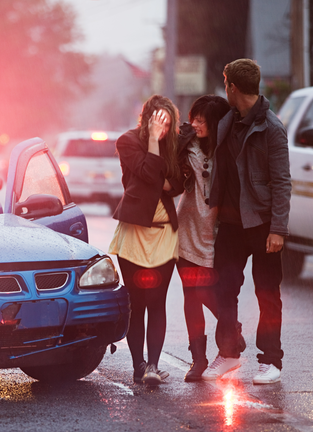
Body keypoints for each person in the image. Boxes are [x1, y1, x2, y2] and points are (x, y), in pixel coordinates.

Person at [201, 59, 292, 385]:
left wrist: (278, 229)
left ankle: (271, 361)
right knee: (224, 289)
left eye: (225, 83)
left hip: (262, 224)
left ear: (232, 87)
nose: (224, 89)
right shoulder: (227, 120)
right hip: (230, 223)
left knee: (267, 294)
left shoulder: (271, 128)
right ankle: (228, 355)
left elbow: (282, 182)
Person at [108, 95, 184, 386]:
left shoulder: (174, 147)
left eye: (167, 123)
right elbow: (151, 173)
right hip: (134, 232)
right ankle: (138, 366)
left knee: (157, 301)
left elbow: (177, 183)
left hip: (165, 234)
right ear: (147, 118)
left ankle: (153, 366)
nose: (163, 128)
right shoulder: (127, 141)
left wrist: (160, 176)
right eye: (158, 121)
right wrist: (153, 143)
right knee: (136, 302)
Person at [175, 95, 246, 382]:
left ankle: (231, 329)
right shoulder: (186, 145)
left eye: (203, 119)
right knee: (191, 294)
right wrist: (182, 138)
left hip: (217, 233)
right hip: (188, 230)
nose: (196, 123)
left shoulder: (227, 149)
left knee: (212, 292)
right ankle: (198, 359)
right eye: (194, 117)